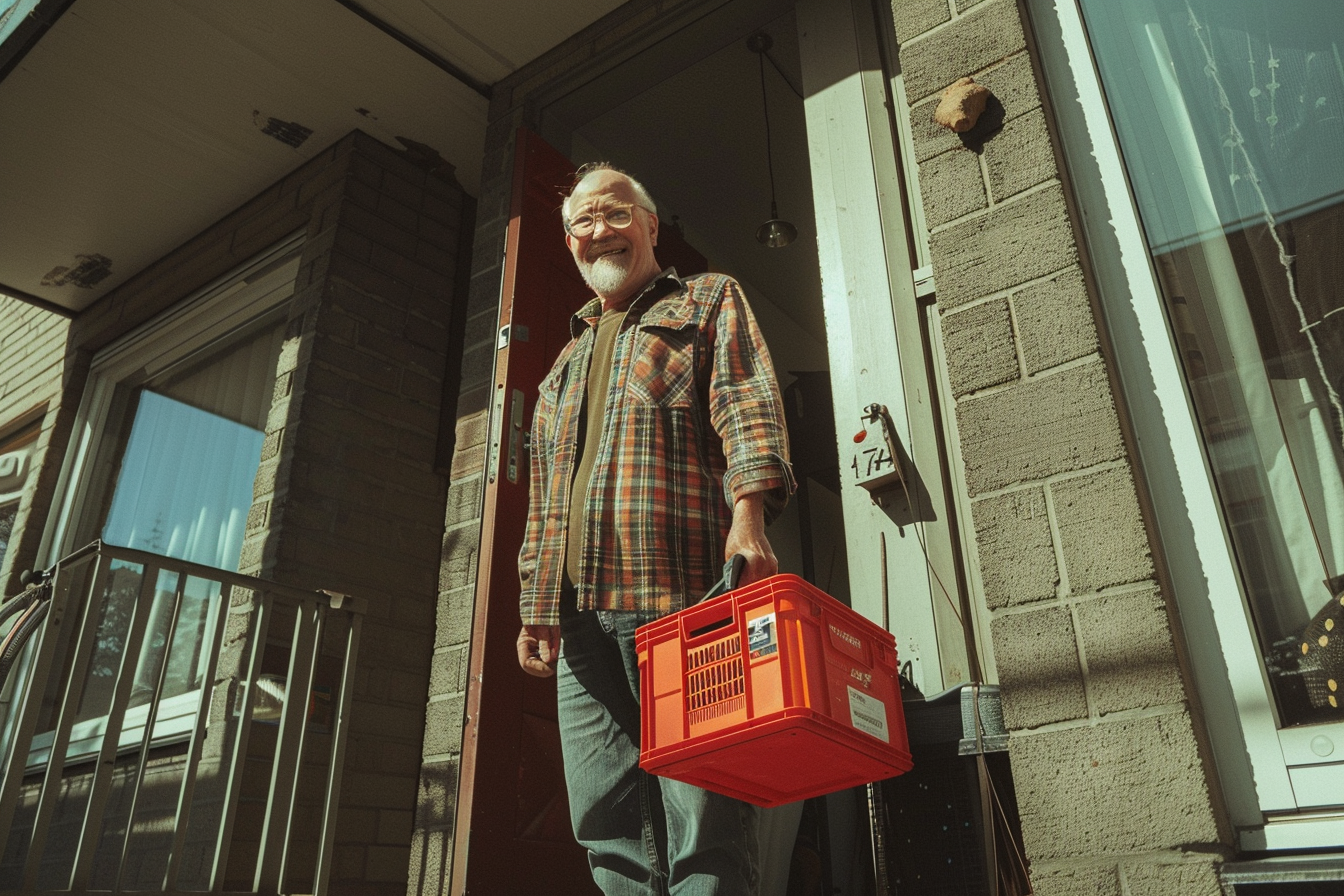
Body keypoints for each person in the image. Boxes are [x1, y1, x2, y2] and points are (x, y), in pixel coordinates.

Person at [516, 162, 795, 895]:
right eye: (582, 222)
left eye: (615, 214)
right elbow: (548, 499)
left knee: (702, 811)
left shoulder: (707, 299)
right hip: (577, 623)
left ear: (648, 224)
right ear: (569, 241)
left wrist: (750, 514)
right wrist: (537, 609)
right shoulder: (562, 366)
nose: (598, 231)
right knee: (605, 825)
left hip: (680, 596)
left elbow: (746, 402)